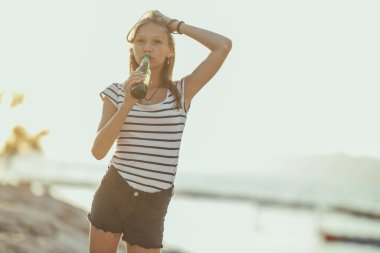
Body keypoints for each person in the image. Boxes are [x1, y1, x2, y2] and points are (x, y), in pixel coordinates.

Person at [88, 10, 232, 253]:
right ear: (132, 48)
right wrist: (127, 104)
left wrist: (176, 25)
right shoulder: (115, 93)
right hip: (114, 190)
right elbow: (98, 151)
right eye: (141, 41)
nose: (147, 48)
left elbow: (223, 46)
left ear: (170, 51)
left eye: (157, 41)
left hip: (153, 203)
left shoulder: (182, 92)